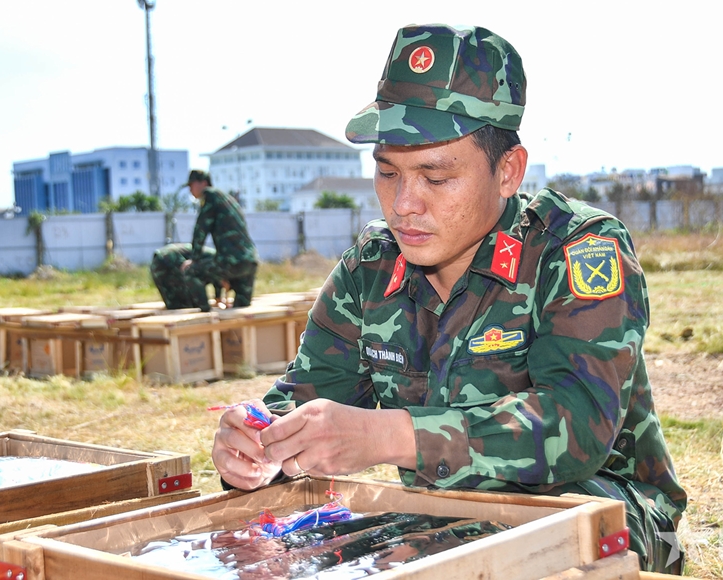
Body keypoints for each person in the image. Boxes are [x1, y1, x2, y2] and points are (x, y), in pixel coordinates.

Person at [211, 24, 685, 573]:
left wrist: (392, 435)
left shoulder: (575, 250)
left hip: (601, 509)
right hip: (439, 518)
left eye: (435, 177)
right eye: (387, 172)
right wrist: (254, 448)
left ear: (508, 171)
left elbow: (576, 426)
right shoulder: (371, 268)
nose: (403, 204)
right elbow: (304, 402)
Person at [151, 169, 258, 310]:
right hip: (250, 261)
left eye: (192, 185)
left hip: (230, 260)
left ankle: (207, 314)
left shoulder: (210, 196)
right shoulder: (228, 199)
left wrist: (194, 259)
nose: (190, 190)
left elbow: (200, 229)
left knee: (191, 271)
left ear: (203, 183)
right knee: (241, 308)